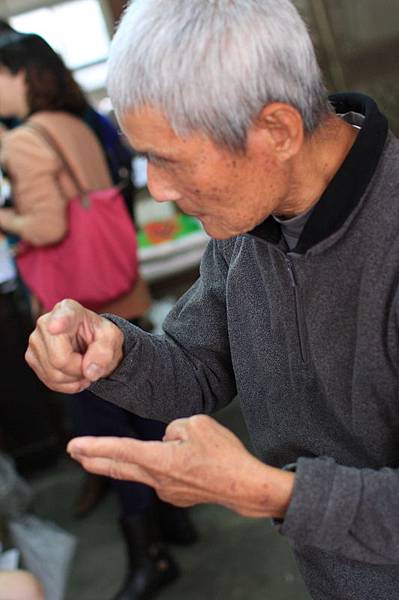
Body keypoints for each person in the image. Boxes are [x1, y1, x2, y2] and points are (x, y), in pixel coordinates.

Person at [25, 0, 399, 598]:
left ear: (276, 129)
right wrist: (114, 349)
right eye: (146, 157)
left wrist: (271, 492)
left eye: (171, 159)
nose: (161, 188)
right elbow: (198, 369)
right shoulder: (250, 226)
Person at [0, 32, 194, 599]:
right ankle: (176, 518)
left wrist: (5, 219)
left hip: (75, 309)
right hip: (121, 289)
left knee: (106, 433)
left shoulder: (23, 141)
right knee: (150, 411)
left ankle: (149, 557)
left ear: (18, 74)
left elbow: (50, 228)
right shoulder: (79, 122)